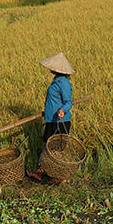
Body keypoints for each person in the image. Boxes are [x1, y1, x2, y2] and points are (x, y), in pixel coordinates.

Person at [28, 52, 74, 183]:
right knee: (47, 145)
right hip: (51, 120)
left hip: (60, 121)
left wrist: (62, 110)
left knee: (57, 149)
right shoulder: (57, 81)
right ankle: (41, 172)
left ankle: (60, 176)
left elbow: (68, 102)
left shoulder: (64, 82)